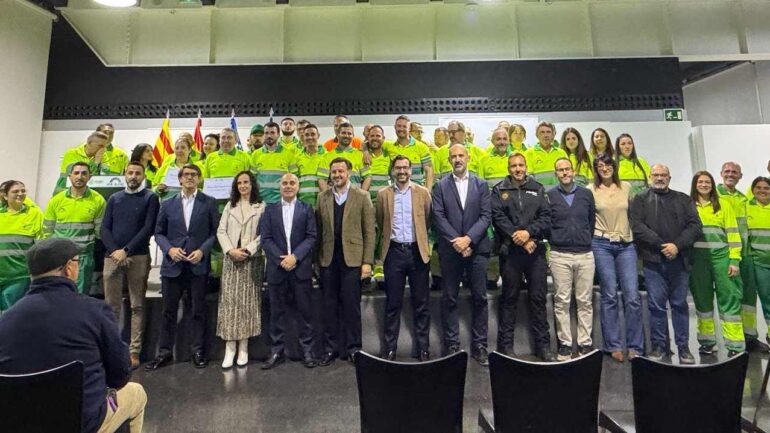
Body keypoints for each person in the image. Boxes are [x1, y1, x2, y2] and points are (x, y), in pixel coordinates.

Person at [0, 238, 147, 433]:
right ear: (68, 268)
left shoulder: (7, 319)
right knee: (137, 393)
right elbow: (120, 376)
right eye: (77, 262)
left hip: (20, 423)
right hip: (81, 424)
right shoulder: (95, 311)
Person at [145, 164, 219, 370]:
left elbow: (215, 233)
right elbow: (158, 232)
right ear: (179, 179)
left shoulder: (209, 202)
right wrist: (169, 250)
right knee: (168, 311)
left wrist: (203, 251)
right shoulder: (167, 204)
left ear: (200, 179)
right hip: (173, 265)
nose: (189, 178)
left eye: (194, 175)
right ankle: (164, 353)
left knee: (198, 310)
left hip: (197, 265)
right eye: (186, 175)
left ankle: (197, 351)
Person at [631, 164, 702, 364]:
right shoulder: (640, 200)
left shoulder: (683, 199)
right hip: (653, 261)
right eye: (656, 175)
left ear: (669, 178)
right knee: (656, 307)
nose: (659, 178)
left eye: (663, 175)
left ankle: (684, 348)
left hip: (680, 261)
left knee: (680, 305)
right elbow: (637, 226)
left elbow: (696, 226)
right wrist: (662, 245)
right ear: (649, 177)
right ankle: (659, 346)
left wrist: (676, 246)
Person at [491, 152, 554, 362]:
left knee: (538, 298)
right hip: (510, 252)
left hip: (534, 251)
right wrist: (519, 237)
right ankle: (506, 347)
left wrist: (530, 234)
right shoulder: (500, 189)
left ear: (526, 167)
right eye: (513, 166)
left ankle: (543, 347)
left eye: (520, 165)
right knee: (509, 298)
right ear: (508, 168)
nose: (517, 169)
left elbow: (546, 217)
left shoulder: (537, 188)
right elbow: (498, 217)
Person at [433, 144, 492, 365]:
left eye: (461, 155)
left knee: (480, 298)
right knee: (449, 297)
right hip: (450, 250)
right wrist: (457, 241)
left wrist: (469, 239)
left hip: (477, 249)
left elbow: (486, 216)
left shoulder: (481, 184)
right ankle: (452, 345)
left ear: (468, 158)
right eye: (453, 156)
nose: (457, 159)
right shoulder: (440, 186)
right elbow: (438, 216)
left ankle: (480, 346)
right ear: (448, 160)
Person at [316, 157, 375, 366]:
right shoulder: (322, 197)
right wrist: (317, 262)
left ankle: (353, 348)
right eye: (334, 172)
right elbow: (319, 232)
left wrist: (367, 262)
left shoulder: (362, 196)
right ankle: (330, 349)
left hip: (353, 260)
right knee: (329, 306)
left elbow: (370, 232)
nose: (337, 175)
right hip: (328, 260)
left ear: (349, 173)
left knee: (352, 307)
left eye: (341, 171)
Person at [101, 162, 159, 369]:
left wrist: (126, 250)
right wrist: (116, 251)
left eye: (138, 173)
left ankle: (134, 352)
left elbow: (148, 228)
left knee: (137, 305)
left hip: (138, 256)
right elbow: (104, 228)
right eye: (130, 172)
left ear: (143, 176)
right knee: (111, 307)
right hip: (112, 257)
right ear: (124, 174)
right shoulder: (114, 198)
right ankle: (112, 351)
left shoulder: (150, 198)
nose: (134, 176)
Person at [375, 155, 432, 361]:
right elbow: (381, 221)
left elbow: (427, 219)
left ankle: (423, 348)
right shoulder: (383, 195)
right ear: (392, 170)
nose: (402, 171)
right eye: (398, 168)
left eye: (405, 168)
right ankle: (390, 349)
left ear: (411, 170)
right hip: (394, 252)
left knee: (422, 303)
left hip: (417, 252)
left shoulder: (423, 193)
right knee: (393, 303)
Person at [589, 153, 643, 362]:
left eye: (608, 164)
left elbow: (636, 215)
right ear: (596, 169)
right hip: (601, 244)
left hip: (626, 244)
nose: (605, 168)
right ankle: (613, 345)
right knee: (609, 294)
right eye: (600, 165)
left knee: (632, 295)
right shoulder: (590, 190)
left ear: (614, 166)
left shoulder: (627, 187)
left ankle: (635, 345)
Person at [260, 173, 318, 369]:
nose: (288, 186)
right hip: (277, 270)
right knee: (276, 313)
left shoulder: (306, 209)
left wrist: (295, 257)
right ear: (280, 187)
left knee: (305, 313)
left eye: (292, 183)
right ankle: (276, 351)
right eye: (284, 183)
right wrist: (280, 259)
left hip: (300, 269)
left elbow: (311, 236)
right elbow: (265, 239)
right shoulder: (269, 210)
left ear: (298, 187)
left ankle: (307, 351)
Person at [689, 170, 744, 356]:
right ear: (695, 184)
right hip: (698, 261)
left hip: (722, 258)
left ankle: (735, 345)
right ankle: (706, 342)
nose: (704, 185)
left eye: (708, 182)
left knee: (729, 300)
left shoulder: (724, 205)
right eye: (701, 182)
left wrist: (734, 259)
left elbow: (733, 234)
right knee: (702, 302)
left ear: (712, 185)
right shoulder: (688, 205)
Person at [547, 158, 596, 361]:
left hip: (585, 254)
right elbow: (547, 223)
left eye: (567, 169)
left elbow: (591, 220)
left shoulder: (586, 194)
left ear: (573, 171)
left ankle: (585, 343)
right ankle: (565, 344)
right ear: (556, 173)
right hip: (560, 254)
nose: (565, 173)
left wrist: (584, 239)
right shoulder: (549, 196)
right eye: (560, 170)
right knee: (562, 302)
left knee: (585, 301)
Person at [717, 162, 770, 352]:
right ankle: (734, 341)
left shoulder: (743, 199)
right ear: (721, 173)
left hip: (746, 255)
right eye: (727, 171)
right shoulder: (715, 196)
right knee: (731, 297)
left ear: (740, 176)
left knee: (749, 298)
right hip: (726, 255)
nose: (731, 175)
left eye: (735, 172)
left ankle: (750, 337)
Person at [216, 171, 265, 369]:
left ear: (252, 185)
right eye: (239, 183)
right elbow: (221, 231)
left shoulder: (261, 207)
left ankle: (243, 347)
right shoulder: (230, 205)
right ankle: (230, 348)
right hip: (231, 260)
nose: (243, 186)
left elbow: (264, 234)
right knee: (229, 304)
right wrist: (230, 250)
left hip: (251, 260)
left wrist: (248, 250)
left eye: (246, 182)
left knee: (248, 303)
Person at [43, 161, 106, 294]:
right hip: (59, 257)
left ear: (90, 177)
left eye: (84, 173)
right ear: (70, 176)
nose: (79, 176)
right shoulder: (56, 200)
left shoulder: (98, 200)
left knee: (79, 297)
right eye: (76, 173)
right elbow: (47, 231)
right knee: (56, 296)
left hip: (83, 258)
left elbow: (99, 232)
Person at [0, 181, 43, 312]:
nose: (20, 194)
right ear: (5, 196)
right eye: (15, 191)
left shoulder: (34, 214)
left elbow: (40, 247)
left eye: (23, 191)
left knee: (11, 313)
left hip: (18, 276)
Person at [479, 128, 514, 290]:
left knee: (513, 243)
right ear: (492, 141)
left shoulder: (515, 158)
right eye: (498, 139)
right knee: (492, 245)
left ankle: (516, 276)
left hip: (514, 210)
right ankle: (492, 278)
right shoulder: (484, 160)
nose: (501, 142)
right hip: (492, 209)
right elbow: (481, 187)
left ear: (509, 140)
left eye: (504, 138)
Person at [746, 176, 770, 345]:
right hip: (759, 263)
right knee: (767, 299)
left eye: (766, 188)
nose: (762, 190)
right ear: (753, 190)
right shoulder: (746, 208)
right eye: (759, 187)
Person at [251, 121, 298, 205]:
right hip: (261, 203)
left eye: (272, 133)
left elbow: (295, 180)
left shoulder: (289, 154)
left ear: (278, 135)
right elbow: (252, 180)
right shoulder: (255, 154)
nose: (269, 136)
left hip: (282, 202)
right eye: (266, 133)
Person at [382, 115, 434, 189]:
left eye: (404, 126)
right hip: (396, 192)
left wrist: (428, 191)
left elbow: (429, 171)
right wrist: (365, 150)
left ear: (409, 129)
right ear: (395, 127)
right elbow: (370, 143)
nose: (401, 129)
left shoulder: (421, 147)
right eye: (399, 126)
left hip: (417, 192)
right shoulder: (388, 146)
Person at [53, 131, 110, 195]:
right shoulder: (72, 153)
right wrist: (96, 163)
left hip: (90, 194)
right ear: (89, 143)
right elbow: (80, 176)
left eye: (105, 147)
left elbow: (106, 177)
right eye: (101, 146)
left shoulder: (103, 156)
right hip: (65, 192)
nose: (103, 150)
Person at [318, 122, 370, 190]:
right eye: (343, 133)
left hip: (355, 198)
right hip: (335, 199)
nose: (346, 135)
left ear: (353, 136)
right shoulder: (327, 156)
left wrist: (361, 196)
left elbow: (367, 177)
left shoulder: (360, 155)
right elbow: (322, 179)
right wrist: (328, 198)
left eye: (349, 133)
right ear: (337, 135)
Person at [524, 121, 568, 189]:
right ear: (537, 135)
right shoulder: (529, 153)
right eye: (542, 132)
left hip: (558, 194)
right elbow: (528, 178)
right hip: (538, 195)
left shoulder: (561, 153)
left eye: (548, 132)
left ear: (553, 134)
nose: (546, 135)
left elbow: (566, 175)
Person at [154, 137, 196, 201]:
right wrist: (158, 189)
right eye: (177, 148)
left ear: (189, 150)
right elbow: (153, 187)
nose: (179, 150)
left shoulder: (197, 168)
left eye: (183, 147)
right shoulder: (165, 167)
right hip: (167, 205)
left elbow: (202, 188)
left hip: (189, 204)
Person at [295, 123, 326, 207]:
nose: (309, 137)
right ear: (303, 137)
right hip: (302, 205)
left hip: (322, 205)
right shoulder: (297, 158)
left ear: (318, 136)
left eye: (313, 134)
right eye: (307, 135)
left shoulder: (327, 156)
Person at [615, 133, 650, 197]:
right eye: (623, 144)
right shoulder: (613, 163)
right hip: (620, 203)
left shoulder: (642, 162)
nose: (627, 146)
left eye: (630, 143)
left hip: (640, 202)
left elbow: (650, 184)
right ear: (618, 147)